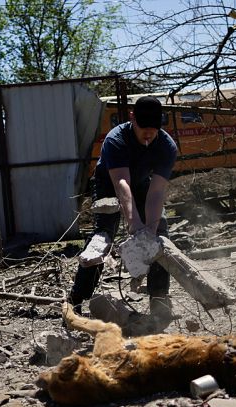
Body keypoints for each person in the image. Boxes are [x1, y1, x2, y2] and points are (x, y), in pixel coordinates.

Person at [69, 95, 178, 324]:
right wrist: (134, 223)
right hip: (109, 182)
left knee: (160, 235)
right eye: (142, 127)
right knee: (102, 237)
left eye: (153, 128)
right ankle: (75, 302)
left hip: (140, 182)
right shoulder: (115, 139)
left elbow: (156, 192)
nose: (148, 133)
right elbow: (121, 184)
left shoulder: (167, 147)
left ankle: (158, 300)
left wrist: (150, 229)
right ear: (131, 118)